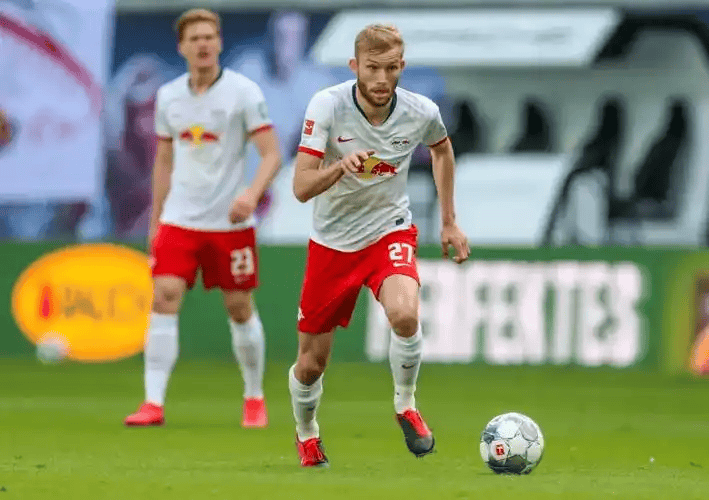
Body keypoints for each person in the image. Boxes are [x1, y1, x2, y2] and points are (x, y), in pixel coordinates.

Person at [289, 24, 470, 466]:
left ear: (401, 66)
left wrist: (449, 221)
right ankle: (307, 433)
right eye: (372, 68)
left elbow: (442, 151)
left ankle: (406, 404)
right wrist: (339, 167)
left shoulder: (421, 111)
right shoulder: (328, 105)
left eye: (391, 68)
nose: (382, 79)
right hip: (332, 243)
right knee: (311, 365)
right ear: (355, 66)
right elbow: (300, 187)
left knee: (405, 314)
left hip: (388, 230)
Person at [124, 9, 282, 428]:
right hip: (180, 219)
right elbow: (163, 161)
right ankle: (153, 402)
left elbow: (272, 154)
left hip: (230, 223)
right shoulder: (168, 96)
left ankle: (254, 397)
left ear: (220, 43)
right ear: (182, 47)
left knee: (239, 307)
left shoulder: (244, 92)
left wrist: (251, 194)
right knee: (164, 296)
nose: (203, 44)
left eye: (210, 36)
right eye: (195, 38)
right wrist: (156, 221)